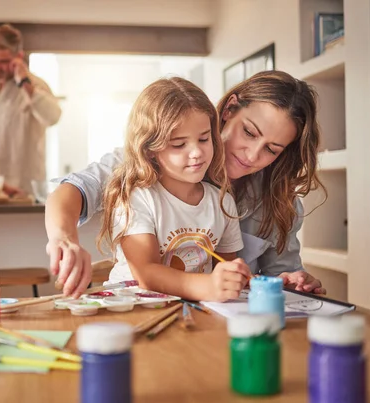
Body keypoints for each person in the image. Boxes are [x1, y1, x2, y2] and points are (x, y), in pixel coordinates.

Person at [46, 71, 327, 298]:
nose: (252, 155)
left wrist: (287, 284)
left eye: (272, 150)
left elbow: (268, 275)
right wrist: (63, 237)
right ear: (229, 109)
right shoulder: (148, 166)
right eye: (249, 132)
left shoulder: (277, 202)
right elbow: (75, 189)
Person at [95, 77, 249, 301]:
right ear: (150, 150)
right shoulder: (138, 198)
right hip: (130, 307)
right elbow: (147, 274)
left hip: (189, 310)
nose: (196, 152)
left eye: (204, 139)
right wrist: (209, 285)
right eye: (179, 144)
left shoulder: (222, 201)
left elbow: (224, 268)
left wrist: (234, 278)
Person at [0, 24, 62, 195]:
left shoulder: (35, 86)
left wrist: (24, 83)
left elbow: (53, 117)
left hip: (24, 188)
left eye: (3, 61)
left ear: (19, 57)